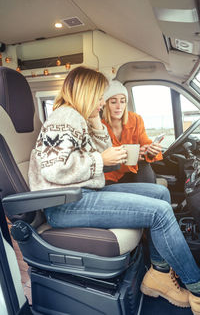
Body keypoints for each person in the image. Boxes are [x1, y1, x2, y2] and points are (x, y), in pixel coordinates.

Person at [28, 66, 200, 314]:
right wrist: (100, 160)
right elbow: (53, 169)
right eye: (99, 97)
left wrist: (95, 119)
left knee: (160, 194)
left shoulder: (80, 117)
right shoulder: (64, 118)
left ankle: (159, 274)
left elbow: (104, 146)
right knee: (161, 212)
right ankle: (196, 288)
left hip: (84, 193)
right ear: (87, 93)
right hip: (66, 204)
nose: (102, 103)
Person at [102, 80, 162, 184]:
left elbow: (145, 142)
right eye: (113, 102)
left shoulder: (135, 119)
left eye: (122, 101)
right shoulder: (99, 125)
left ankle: (151, 196)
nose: (119, 107)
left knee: (144, 165)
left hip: (132, 170)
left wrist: (151, 151)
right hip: (110, 175)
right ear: (105, 104)